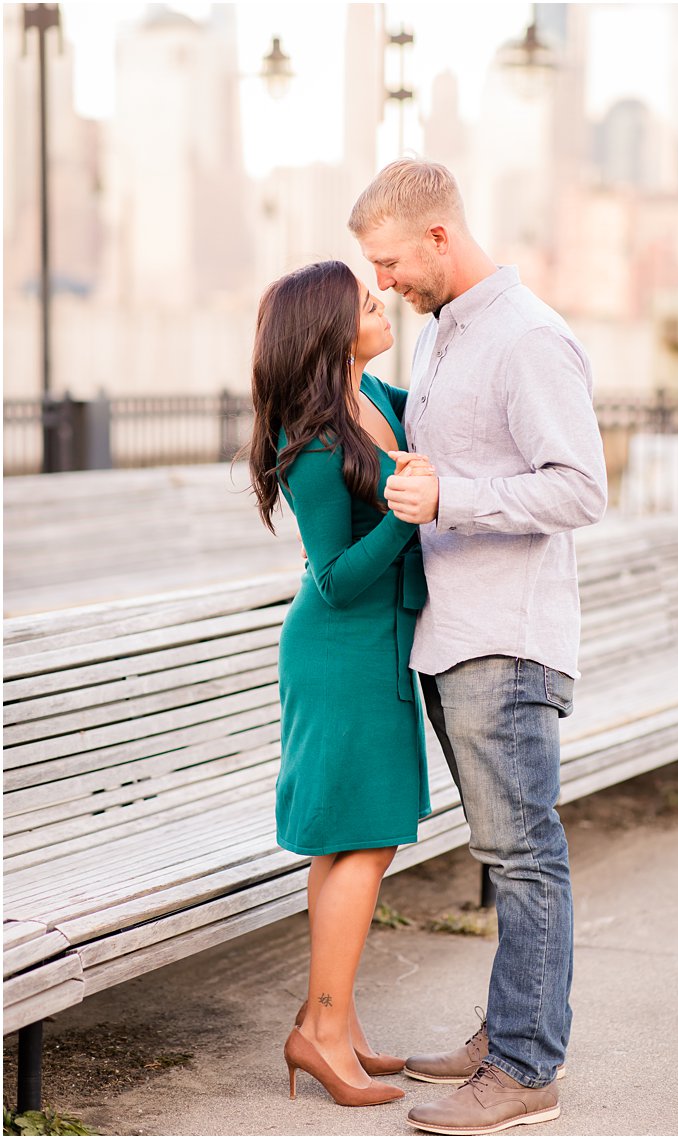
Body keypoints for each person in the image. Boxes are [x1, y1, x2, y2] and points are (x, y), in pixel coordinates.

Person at [348, 158, 608, 1134]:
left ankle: (526, 1067)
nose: (385, 283)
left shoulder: (529, 339)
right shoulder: (451, 333)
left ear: (439, 238)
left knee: (526, 854)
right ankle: (505, 1034)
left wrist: (453, 498)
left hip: (506, 640)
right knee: (504, 853)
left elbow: (580, 489)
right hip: (457, 637)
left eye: (390, 261)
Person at [246, 260, 436, 1108]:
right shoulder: (316, 444)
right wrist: (407, 514)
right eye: (365, 300)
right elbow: (335, 578)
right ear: (328, 329)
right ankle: (319, 1033)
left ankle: (338, 1022)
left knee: (358, 839)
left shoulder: (382, 401)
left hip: (381, 647)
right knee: (364, 837)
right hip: (339, 650)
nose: (381, 302)